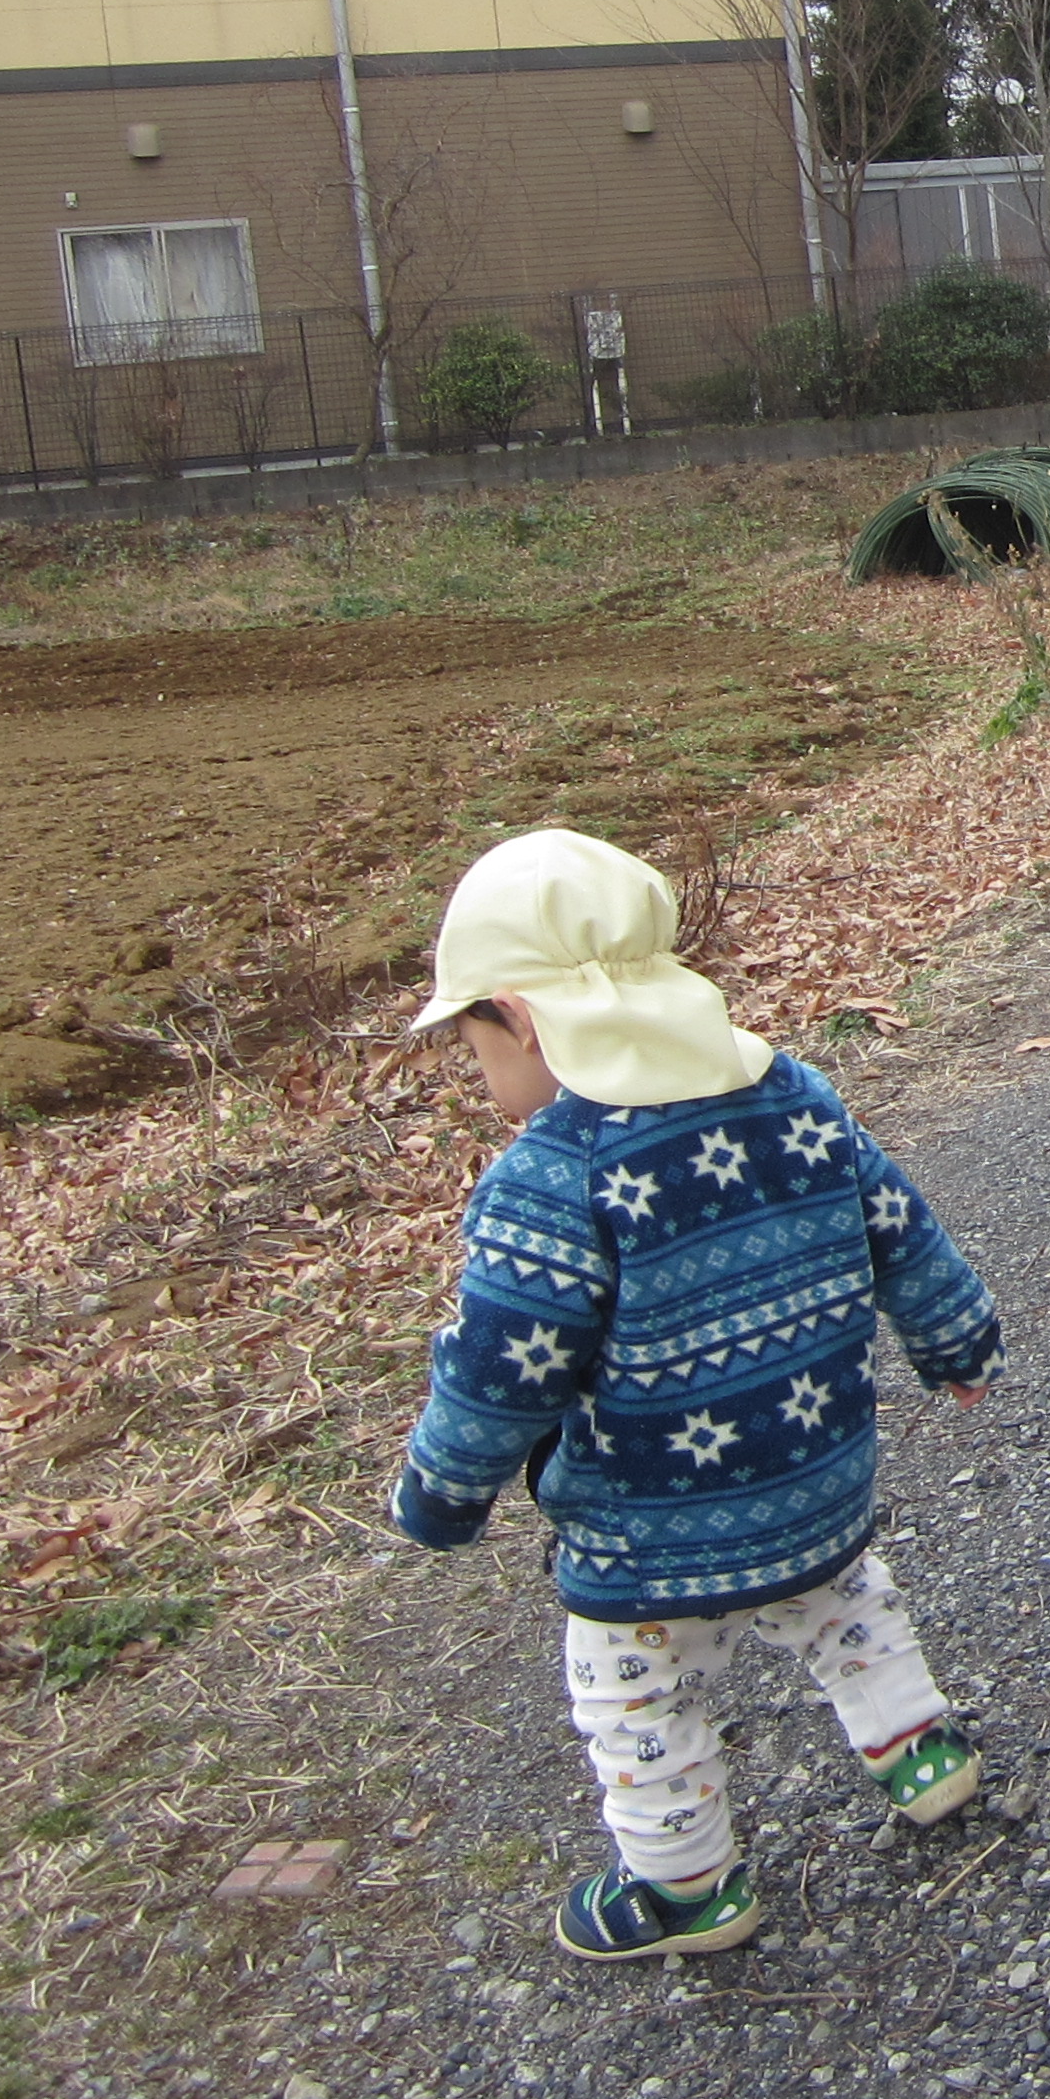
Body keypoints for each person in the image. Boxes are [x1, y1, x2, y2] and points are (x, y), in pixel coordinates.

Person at [386, 829, 1004, 1962]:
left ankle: (684, 1888)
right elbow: (901, 1232)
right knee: (842, 1602)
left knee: (636, 1698)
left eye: (472, 1040)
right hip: (816, 1478)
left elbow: (496, 1371)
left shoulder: (550, 1175)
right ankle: (921, 1752)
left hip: (648, 1532)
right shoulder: (793, 1092)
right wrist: (958, 1343)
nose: (479, 1074)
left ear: (521, 1016)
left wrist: (441, 1494)